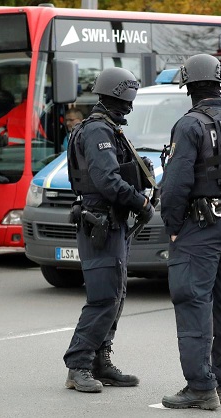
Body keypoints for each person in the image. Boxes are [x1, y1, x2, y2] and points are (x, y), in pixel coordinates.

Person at [159, 54, 221, 410]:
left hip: (203, 225)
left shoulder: (190, 125)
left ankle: (202, 386)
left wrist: (172, 227)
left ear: (188, 86)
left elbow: (174, 185)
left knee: (193, 300)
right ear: (220, 83)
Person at [64, 67, 155, 393]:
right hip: (101, 222)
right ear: (123, 95)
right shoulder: (99, 131)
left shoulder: (105, 128)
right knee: (104, 297)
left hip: (109, 222)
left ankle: (100, 360)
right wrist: (139, 203)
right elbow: (107, 180)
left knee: (115, 295)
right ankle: (79, 364)